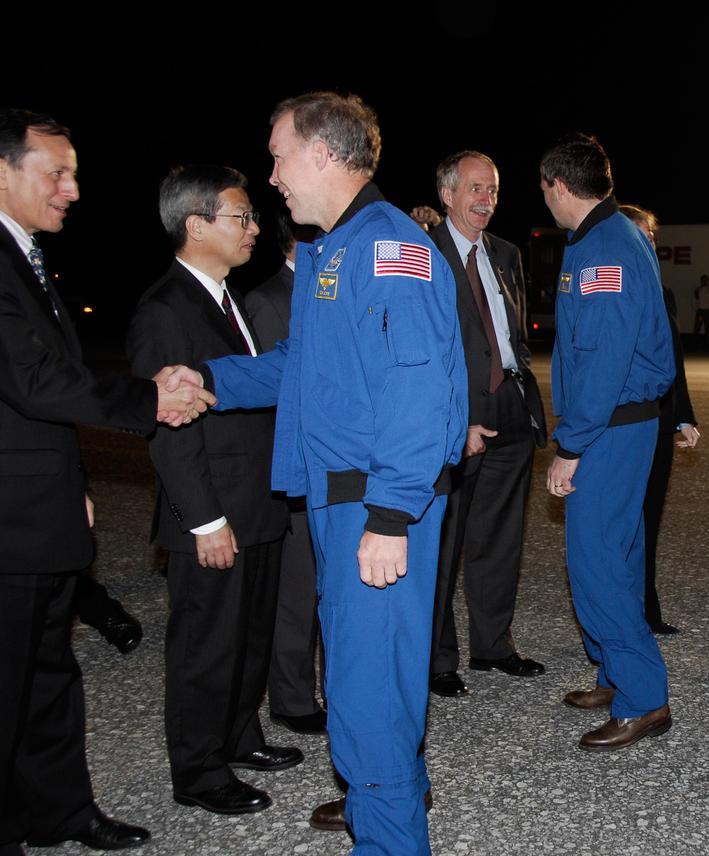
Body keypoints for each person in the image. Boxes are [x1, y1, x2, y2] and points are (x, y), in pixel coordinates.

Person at [192, 92, 465, 855]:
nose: (272, 175)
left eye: (277, 155)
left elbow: (419, 389)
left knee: (371, 692)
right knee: (360, 682)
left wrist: (390, 516)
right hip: (348, 501)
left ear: (321, 153)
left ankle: (388, 836)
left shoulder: (386, 248)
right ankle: (384, 809)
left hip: (375, 502)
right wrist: (208, 380)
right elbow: (301, 368)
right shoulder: (337, 250)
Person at [0, 107, 213, 854]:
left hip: (38, 508)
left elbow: (36, 401)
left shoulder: (22, 255)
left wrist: (73, 480)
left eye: (75, 174)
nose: (72, 190)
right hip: (8, 521)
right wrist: (149, 398)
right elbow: (33, 381)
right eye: (55, 173)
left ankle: (59, 813)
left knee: (49, 674)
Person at [127, 165, 295, 815]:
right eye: (241, 217)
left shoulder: (229, 300)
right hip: (215, 515)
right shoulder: (166, 309)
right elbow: (169, 430)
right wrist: (203, 521)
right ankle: (198, 770)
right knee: (206, 646)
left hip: (256, 504)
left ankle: (237, 735)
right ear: (196, 225)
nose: (254, 228)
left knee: (248, 635)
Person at [541, 134, 675, 751]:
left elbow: (601, 359)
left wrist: (570, 445)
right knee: (616, 554)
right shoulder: (611, 236)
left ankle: (643, 699)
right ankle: (618, 674)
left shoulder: (603, 249)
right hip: (619, 423)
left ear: (559, 187)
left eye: (543, 190)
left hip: (610, 426)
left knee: (596, 560)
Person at [426, 150, 547, 699]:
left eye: (493, 190)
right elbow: (426, 348)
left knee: (500, 540)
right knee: (443, 544)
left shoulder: (506, 254)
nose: (486, 200)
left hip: (510, 412)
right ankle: (437, 657)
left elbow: (512, 335)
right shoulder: (422, 253)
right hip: (456, 419)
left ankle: (493, 645)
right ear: (447, 195)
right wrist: (458, 419)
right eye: (475, 189)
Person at [245, 209, 326, 735]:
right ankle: (292, 698)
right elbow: (274, 394)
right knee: (296, 592)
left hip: (329, 467)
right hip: (295, 466)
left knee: (324, 587)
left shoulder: (324, 290)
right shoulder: (269, 300)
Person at [620, 203, 700, 636]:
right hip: (628, 423)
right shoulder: (617, 289)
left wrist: (683, 415)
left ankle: (647, 609)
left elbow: (675, 361)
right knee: (624, 521)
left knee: (650, 516)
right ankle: (624, 612)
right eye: (638, 235)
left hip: (660, 421)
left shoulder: (662, 292)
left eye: (650, 235)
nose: (647, 242)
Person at [693, 274, 709, 339]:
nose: (705, 281)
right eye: (703, 280)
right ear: (701, 281)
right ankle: (694, 344)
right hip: (700, 312)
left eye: (706, 280)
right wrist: (696, 309)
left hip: (708, 312)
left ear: (708, 281)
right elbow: (694, 300)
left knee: (708, 328)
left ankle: (707, 346)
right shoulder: (697, 290)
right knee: (697, 328)